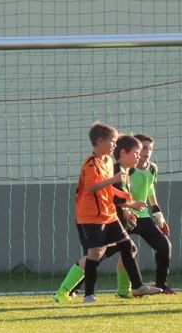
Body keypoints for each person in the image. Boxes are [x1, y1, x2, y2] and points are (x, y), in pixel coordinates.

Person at [50, 123, 162, 304]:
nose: (114, 146)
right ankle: (65, 292)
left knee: (127, 247)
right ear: (100, 142)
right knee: (95, 255)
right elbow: (93, 187)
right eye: (112, 141)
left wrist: (130, 203)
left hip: (109, 215)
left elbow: (110, 191)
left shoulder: (109, 162)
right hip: (91, 217)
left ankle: (130, 289)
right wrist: (120, 192)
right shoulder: (92, 163)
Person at [125, 133, 175, 294]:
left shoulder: (152, 168)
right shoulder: (128, 170)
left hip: (143, 216)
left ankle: (161, 285)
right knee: (101, 252)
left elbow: (150, 190)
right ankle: (75, 287)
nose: (147, 152)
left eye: (150, 149)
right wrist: (126, 210)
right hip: (125, 215)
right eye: (144, 148)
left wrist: (158, 214)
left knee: (164, 246)